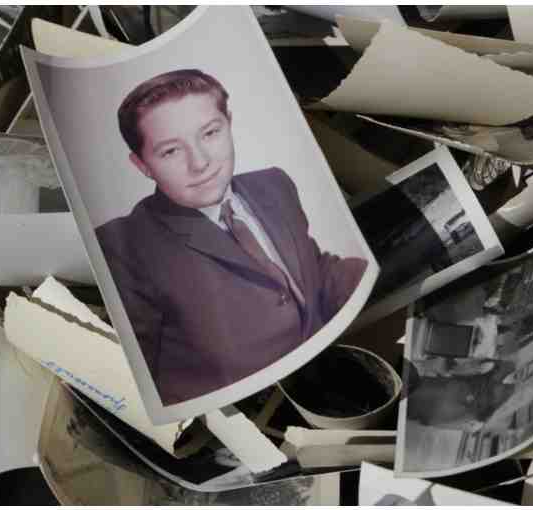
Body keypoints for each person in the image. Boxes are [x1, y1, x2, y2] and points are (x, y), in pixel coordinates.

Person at [96, 69, 368, 406]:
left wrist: (380, 265)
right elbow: (131, 382)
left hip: (338, 374)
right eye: (171, 151)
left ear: (229, 124)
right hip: (250, 412)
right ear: (142, 165)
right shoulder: (122, 245)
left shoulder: (274, 184)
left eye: (210, 133)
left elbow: (314, 273)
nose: (200, 163)